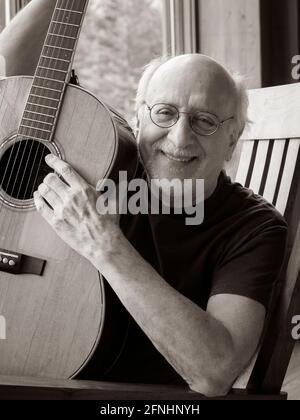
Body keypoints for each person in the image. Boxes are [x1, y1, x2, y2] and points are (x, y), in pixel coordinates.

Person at [0, 0, 288, 397]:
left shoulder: (255, 227)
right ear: (137, 117)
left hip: (123, 398)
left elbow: (214, 371)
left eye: (205, 121)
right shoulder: (100, 153)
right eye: (165, 113)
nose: (180, 138)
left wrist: (104, 244)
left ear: (232, 139)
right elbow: (17, 59)